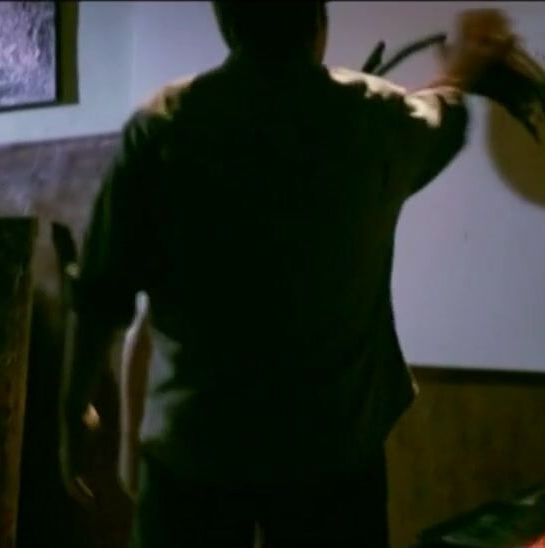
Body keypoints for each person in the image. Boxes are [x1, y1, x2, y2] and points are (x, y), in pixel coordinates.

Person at [59, 2, 513, 546]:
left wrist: (72, 411)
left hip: (195, 459)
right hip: (333, 462)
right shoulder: (378, 116)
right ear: (319, 22)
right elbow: (440, 113)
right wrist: (463, 68)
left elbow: (100, 296)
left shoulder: (163, 125)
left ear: (226, 22)